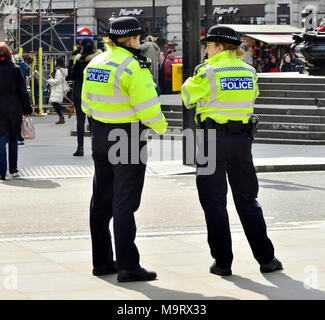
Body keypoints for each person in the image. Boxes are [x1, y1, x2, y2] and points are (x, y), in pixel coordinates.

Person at [181, 25, 283, 276]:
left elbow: (186, 96)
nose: (205, 50)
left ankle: (223, 262)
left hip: (211, 140)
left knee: (214, 203)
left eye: (208, 45)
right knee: (248, 200)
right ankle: (267, 259)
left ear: (219, 46)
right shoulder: (249, 71)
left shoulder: (207, 72)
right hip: (242, 142)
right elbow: (252, 97)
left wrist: (197, 77)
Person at [81, 16, 168, 282]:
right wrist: (161, 128)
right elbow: (149, 108)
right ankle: (129, 267)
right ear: (131, 39)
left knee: (101, 199)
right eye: (139, 38)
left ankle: (103, 262)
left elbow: (85, 101)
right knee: (125, 202)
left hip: (99, 134)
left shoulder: (95, 62)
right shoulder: (133, 66)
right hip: (127, 137)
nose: (140, 42)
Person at [0, 42, 32, 180]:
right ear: (9, 54)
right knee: (13, 139)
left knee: (0, 141)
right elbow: (22, 92)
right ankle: (13, 169)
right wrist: (27, 108)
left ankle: (2, 172)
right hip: (14, 110)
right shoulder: (16, 69)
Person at [68, 38, 102, 156]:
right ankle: (96, 147)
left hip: (79, 90)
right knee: (93, 119)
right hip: (93, 90)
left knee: (80, 119)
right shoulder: (99, 58)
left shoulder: (79, 60)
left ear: (82, 47)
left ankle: (80, 148)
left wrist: (71, 62)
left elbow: (71, 76)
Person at [46, 57, 73, 124]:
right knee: (55, 103)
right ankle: (61, 118)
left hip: (57, 89)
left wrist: (49, 81)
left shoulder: (58, 71)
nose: (54, 62)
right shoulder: (62, 70)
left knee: (55, 104)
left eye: (55, 61)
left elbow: (57, 81)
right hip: (59, 89)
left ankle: (67, 109)